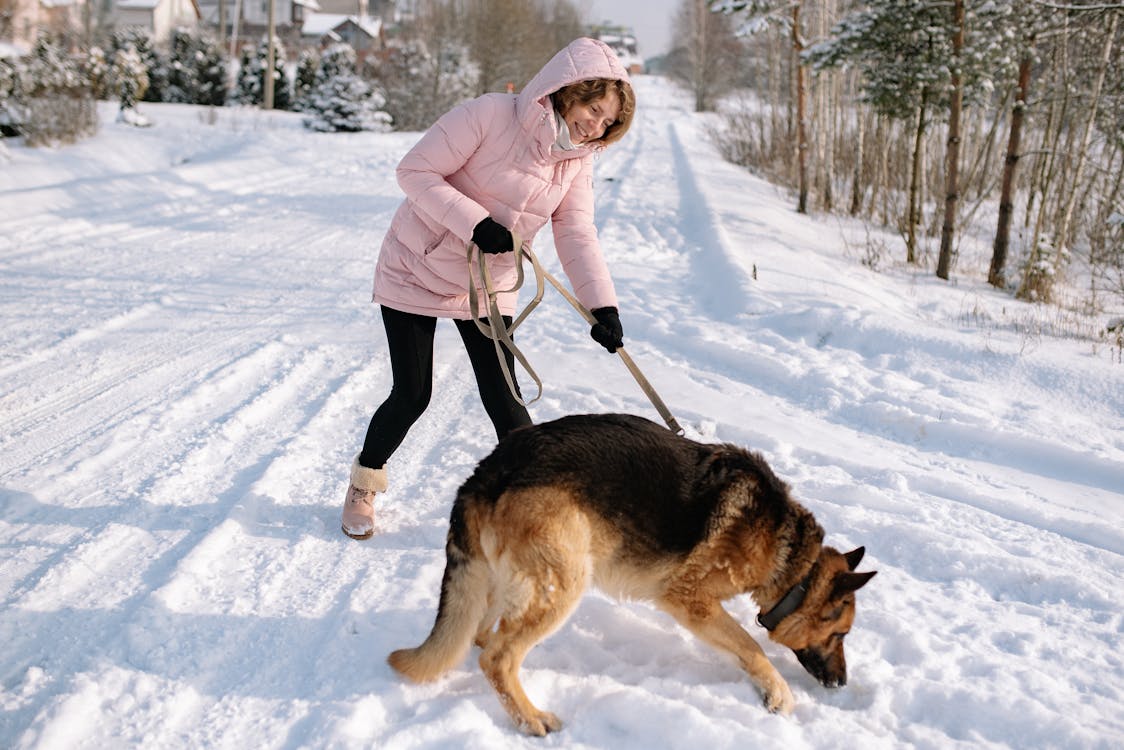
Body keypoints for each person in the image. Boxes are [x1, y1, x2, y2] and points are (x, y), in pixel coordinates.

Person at [341, 37, 636, 539]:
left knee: (506, 398)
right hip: (416, 266)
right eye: (593, 108)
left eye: (607, 121)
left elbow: (575, 231)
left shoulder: (576, 161)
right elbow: (414, 171)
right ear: (567, 91)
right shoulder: (489, 115)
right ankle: (365, 484)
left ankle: (533, 511)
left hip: (488, 285)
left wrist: (601, 305)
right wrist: (475, 221)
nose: (596, 125)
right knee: (413, 394)